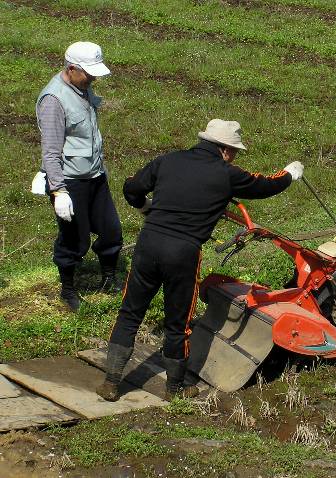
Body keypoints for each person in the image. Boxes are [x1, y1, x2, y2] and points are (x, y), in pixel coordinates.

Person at [96, 119, 304, 401]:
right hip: (182, 253)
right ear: (227, 150)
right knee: (177, 322)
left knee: (130, 312)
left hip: (148, 244)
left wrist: (146, 207)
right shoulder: (227, 173)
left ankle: (110, 382)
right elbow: (264, 186)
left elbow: (131, 188)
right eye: (235, 152)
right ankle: (175, 389)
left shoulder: (168, 160)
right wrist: (289, 175)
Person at [35, 41, 123, 311]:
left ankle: (109, 278)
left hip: (95, 175)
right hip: (70, 181)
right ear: (71, 68)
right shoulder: (53, 100)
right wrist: (59, 191)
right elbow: (50, 152)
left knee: (111, 231)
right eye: (88, 72)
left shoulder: (82, 86)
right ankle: (68, 290)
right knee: (76, 238)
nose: (94, 77)